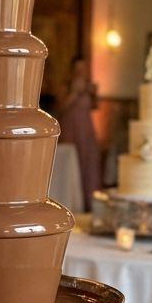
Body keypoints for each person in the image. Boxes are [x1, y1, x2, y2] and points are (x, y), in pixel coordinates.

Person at [57, 55, 102, 210]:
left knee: (88, 163)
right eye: (77, 68)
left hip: (86, 128)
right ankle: (72, 201)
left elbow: (95, 107)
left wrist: (94, 93)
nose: (80, 72)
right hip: (71, 128)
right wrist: (75, 92)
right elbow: (61, 108)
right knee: (72, 161)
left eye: (83, 68)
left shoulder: (88, 86)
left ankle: (89, 202)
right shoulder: (66, 86)